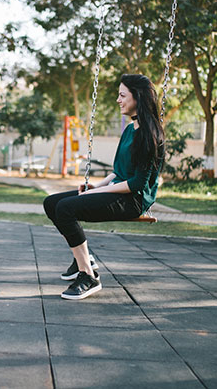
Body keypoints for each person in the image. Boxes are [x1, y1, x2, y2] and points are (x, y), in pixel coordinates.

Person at [43, 74, 165, 300]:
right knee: (52, 203)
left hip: (134, 199)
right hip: (119, 189)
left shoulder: (149, 134)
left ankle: (88, 276)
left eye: (122, 95)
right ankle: (84, 258)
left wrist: (99, 191)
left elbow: (137, 183)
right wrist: (96, 185)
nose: (118, 100)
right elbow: (119, 171)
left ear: (137, 97)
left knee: (66, 209)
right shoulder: (130, 129)